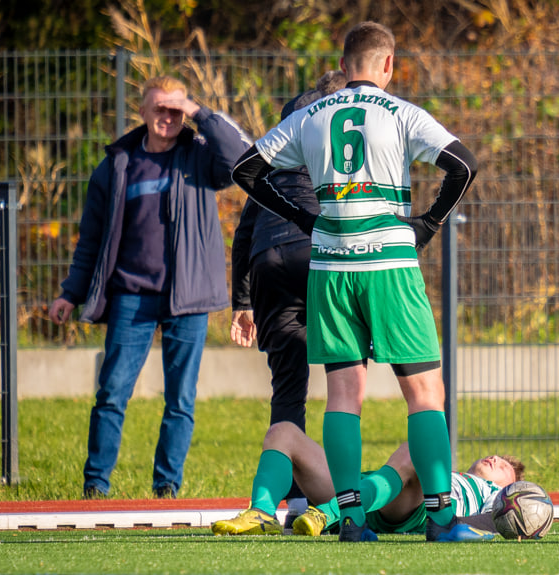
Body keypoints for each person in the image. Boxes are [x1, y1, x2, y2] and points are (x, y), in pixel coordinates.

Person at [231, 21, 483, 542]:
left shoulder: (309, 116)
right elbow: (463, 163)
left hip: (330, 265)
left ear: (343, 66)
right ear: (388, 65)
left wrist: (304, 220)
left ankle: (350, 521)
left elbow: (246, 170)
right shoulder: (403, 113)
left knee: (343, 396)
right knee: (424, 394)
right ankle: (441, 520)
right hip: (389, 263)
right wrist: (429, 224)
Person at [49, 75, 252, 499]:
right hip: (132, 296)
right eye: (159, 108)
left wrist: (200, 112)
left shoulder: (200, 156)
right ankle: (95, 487)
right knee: (111, 393)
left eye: (176, 110)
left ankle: (166, 489)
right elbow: (91, 238)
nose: (167, 117)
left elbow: (241, 158)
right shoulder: (117, 164)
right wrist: (72, 291)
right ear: (141, 111)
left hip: (188, 297)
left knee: (180, 401)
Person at [230, 70, 347, 525]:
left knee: (288, 387)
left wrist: (241, 302)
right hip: (321, 252)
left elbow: (244, 232)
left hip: (268, 261)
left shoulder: (275, 154)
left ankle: (295, 499)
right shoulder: (343, 143)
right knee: (345, 375)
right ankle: (344, 497)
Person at [210, 421, 524, 537]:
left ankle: (333, 513)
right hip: (368, 491)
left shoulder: (493, 495)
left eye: (503, 468)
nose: (495, 460)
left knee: (417, 449)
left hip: (410, 511)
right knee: (283, 433)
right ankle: (262, 512)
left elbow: (502, 518)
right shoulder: (452, 471)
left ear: (505, 485)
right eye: (496, 457)